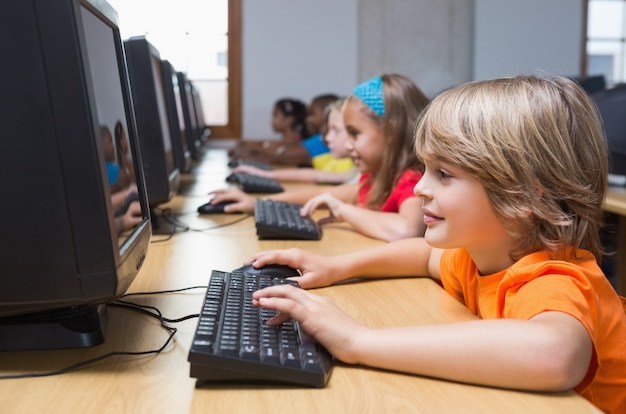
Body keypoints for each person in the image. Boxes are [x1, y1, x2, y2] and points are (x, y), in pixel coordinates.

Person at [245, 75, 626, 414]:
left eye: (444, 174)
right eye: (425, 169)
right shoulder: (478, 255)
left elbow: (555, 354)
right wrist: (337, 267)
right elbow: (426, 254)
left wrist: (357, 340)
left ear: (523, 196)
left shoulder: (553, 279)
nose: (421, 187)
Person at [210, 74, 430, 242]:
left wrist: (342, 210)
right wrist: (258, 203)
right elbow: (327, 194)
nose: (347, 144)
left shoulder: (412, 179)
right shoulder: (377, 178)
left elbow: (408, 230)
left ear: (390, 134)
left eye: (354, 134)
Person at [230, 97, 356, 184]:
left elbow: (284, 156)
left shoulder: (353, 171)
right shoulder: (352, 171)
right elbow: (313, 174)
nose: (328, 137)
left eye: (335, 130)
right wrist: (266, 174)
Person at [228, 98, 312, 166]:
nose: (272, 120)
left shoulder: (297, 142)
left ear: (289, 120)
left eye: (275, 116)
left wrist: (255, 148)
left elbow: (279, 152)